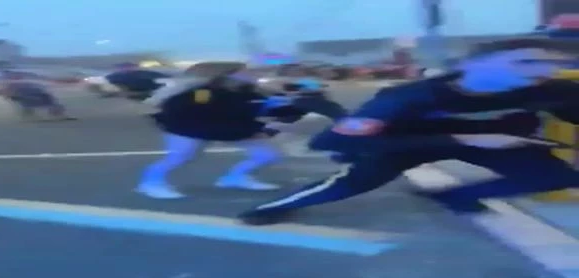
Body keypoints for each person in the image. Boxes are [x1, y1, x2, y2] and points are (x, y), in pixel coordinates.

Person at [237, 37, 579, 225]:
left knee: (556, 175)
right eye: (527, 61)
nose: (545, 71)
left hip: (496, 141)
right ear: (469, 65)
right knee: (347, 185)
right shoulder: (408, 96)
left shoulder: (554, 90)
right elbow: (329, 139)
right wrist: (463, 137)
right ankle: (273, 208)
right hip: (403, 143)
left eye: (557, 66)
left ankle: (452, 196)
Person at [136, 68, 326, 199]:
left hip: (230, 128)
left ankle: (235, 178)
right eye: (243, 73)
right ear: (226, 76)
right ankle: (150, 184)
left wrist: (300, 105)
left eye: (251, 73)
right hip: (186, 128)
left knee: (267, 155)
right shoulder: (204, 93)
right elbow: (205, 116)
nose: (251, 75)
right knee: (181, 157)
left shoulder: (250, 94)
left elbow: (265, 111)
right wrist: (255, 130)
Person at [0, 70, 76, 121]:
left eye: (16, 75)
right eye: (13, 75)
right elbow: (8, 90)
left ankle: (59, 114)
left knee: (49, 100)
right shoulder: (11, 83)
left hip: (34, 93)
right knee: (27, 103)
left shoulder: (23, 82)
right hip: (23, 95)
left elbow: (37, 86)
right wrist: (9, 95)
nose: (16, 76)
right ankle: (30, 115)